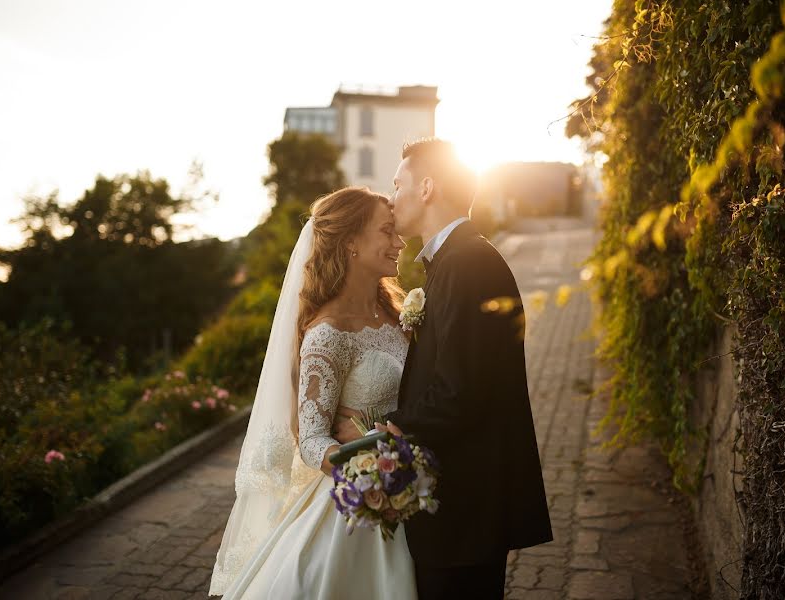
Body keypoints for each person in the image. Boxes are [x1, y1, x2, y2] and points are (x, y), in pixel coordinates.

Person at [335, 138, 552, 600]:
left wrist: (382, 436)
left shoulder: (467, 263)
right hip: (460, 508)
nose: (392, 199)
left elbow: (459, 393)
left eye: (398, 184)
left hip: (465, 510)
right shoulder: (455, 260)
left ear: (428, 187)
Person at [209, 187, 416, 599]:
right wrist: (368, 475)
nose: (400, 241)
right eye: (388, 231)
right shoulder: (328, 333)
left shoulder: (397, 313)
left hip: (412, 488)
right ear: (352, 243)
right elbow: (312, 438)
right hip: (362, 503)